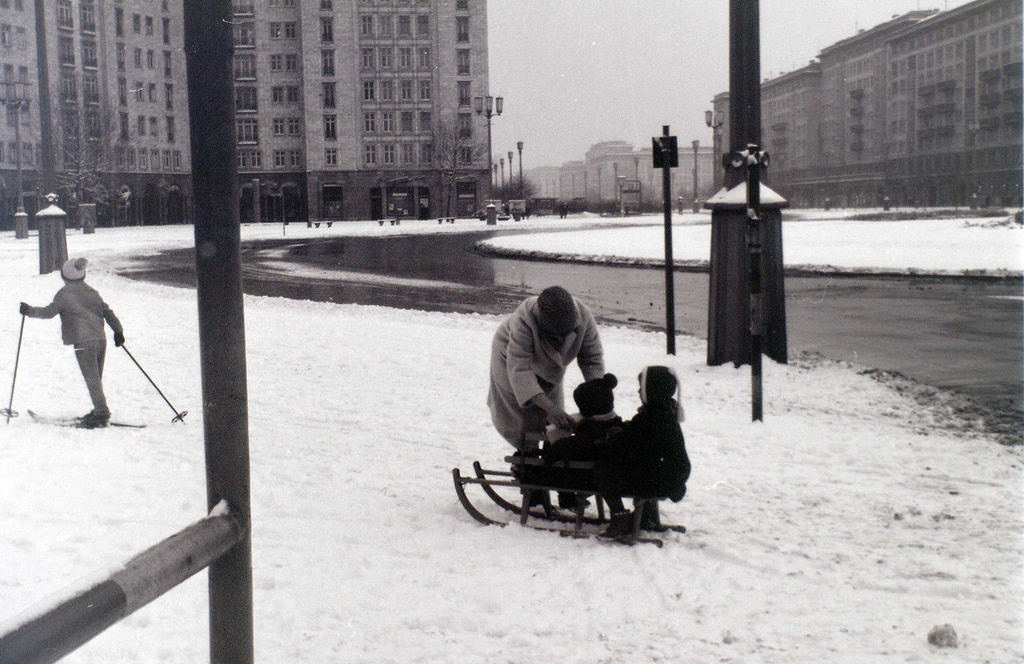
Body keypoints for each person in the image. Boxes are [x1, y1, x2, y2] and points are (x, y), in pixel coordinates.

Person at [488, 286, 605, 449]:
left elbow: (591, 359)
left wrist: (598, 394)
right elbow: (520, 370)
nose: (562, 340)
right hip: (509, 360)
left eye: (567, 334)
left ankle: (552, 451)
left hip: (549, 369)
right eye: (556, 336)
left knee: (555, 420)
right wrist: (550, 409)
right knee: (521, 421)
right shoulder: (524, 321)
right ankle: (526, 455)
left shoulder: (583, 316)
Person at [19, 257, 125, 428]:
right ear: (82, 276)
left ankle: (102, 413)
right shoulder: (92, 292)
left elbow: (48, 312)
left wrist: (29, 311)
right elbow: (108, 313)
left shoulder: (63, 295)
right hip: (100, 339)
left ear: (64, 276)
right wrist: (118, 332)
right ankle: (99, 409)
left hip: (83, 341)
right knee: (95, 378)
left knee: (92, 379)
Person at [596, 365, 690, 539]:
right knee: (643, 466)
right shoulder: (666, 412)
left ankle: (619, 517)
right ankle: (647, 515)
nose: (639, 391)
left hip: (663, 479)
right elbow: (640, 439)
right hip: (672, 474)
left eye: (642, 388)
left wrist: (613, 439)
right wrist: (625, 429)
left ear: (652, 391)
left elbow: (629, 445)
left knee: (605, 470)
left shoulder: (651, 418)